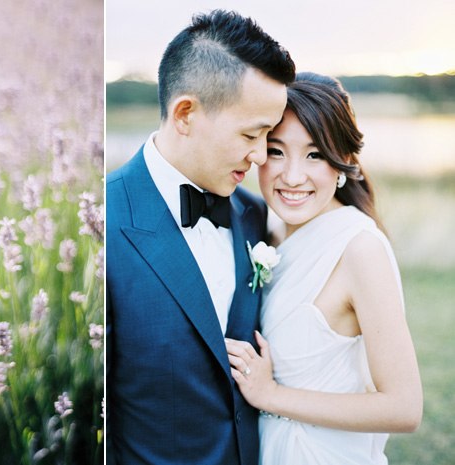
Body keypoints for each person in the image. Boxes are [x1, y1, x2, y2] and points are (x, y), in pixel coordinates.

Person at [106, 10, 295, 465]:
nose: (259, 155)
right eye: (252, 133)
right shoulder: (102, 222)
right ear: (186, 114)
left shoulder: (257, 216)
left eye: (269, 134)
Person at [225, 73, 423, 464]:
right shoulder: (267, 228)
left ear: (344, 162)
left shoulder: (359, 250)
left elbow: (404, 408)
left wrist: (271, 396)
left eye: (314, 155)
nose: (293, 176)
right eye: (277, 152)